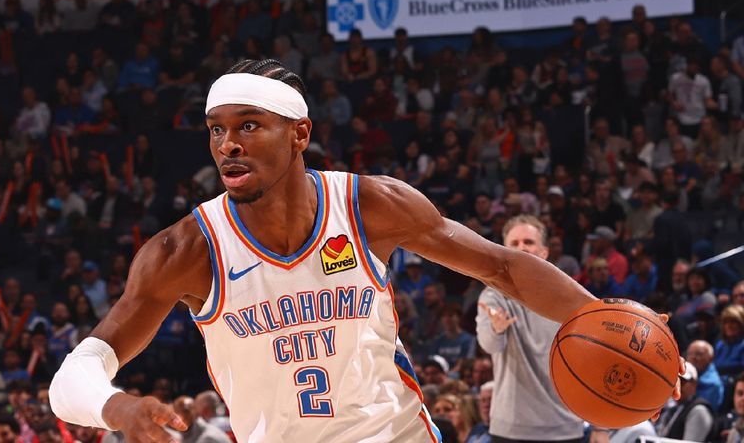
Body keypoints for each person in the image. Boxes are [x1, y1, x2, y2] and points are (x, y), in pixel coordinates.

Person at [49, 59, 672, 443]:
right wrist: (118, 407)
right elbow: (72, 377)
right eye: (217, 129)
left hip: (393, 432)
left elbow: (503, 266)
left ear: (300, 134)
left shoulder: (371, 205)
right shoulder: (185, 250)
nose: (227, 145)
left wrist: (607, 316)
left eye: (247, 126)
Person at [477, 215, 585, 443]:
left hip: (565, 426)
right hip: (511, 428)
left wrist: (600, 427)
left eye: (528, 242)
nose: (521, 248)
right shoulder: (493, 296)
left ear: (544, 252)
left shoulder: (569, 296)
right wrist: (497, 329)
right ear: (503, 251)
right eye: (514, 244)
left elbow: (591, 363)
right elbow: (489, 344)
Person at [656, 361, 713, 441]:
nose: (678, 386)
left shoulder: (699, 410)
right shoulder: (672, 408)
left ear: (694, 384)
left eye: (682, 381)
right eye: (675, 381)